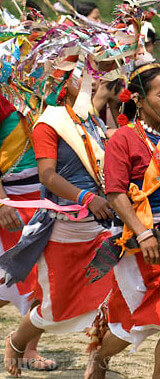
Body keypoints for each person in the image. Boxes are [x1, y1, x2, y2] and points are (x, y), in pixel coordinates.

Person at [84, 63, 160, 379]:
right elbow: (115, 194)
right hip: (137, 247)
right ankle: (98, 358)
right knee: (128, 327)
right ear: (138, 98)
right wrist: (143, 232)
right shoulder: (122, 139)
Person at [1, 63, 113, 377]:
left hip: (99, 225)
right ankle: (18, 342)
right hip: (57, 220)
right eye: (83, 74)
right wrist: (86, 198)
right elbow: (49, 175)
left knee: (108, 295)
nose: (92, 79)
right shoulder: (48, 122)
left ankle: (97, 361)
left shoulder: (89, 120)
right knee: (48, 302)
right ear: (63, 82)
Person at [0, 95, 56, 373]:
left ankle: (28, 348)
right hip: (11, 201)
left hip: (45, 197)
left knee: (42, 278)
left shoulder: (40, 91)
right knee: (11, 278)